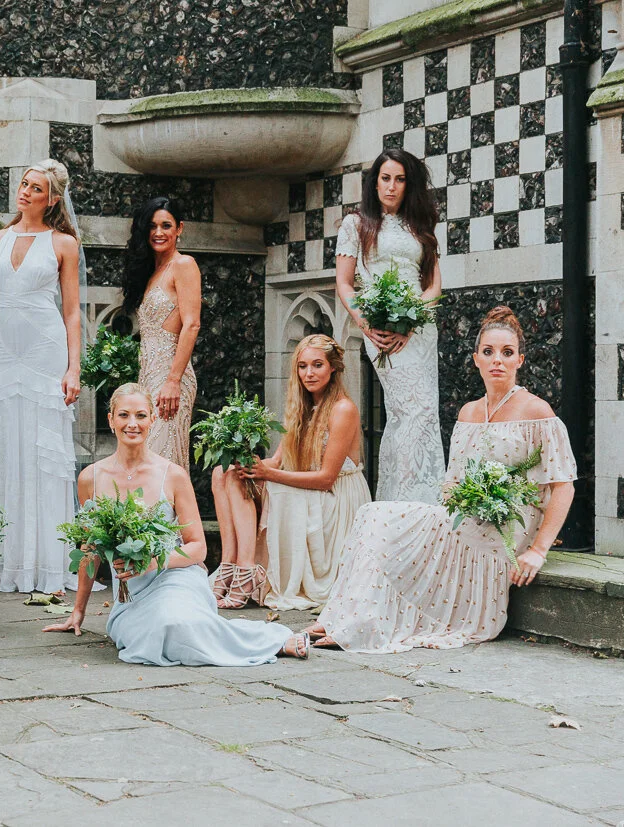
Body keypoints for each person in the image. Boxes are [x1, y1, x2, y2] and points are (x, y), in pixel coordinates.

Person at [307, 307, 576, 652]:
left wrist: (538, 551)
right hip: (464, 515)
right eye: (489, 352)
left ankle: (355, 625)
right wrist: (458, 503)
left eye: (507, 353)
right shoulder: (468, 412)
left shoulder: (538, 411)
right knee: (372, 514)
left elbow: (563, 485)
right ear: (476, 359)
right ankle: (340, 617)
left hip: (508, 526)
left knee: (391, 526)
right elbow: (453, 481)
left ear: (520, 360)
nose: (498, 361)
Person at [44, 384, 308, 665]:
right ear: (110, 420)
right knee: (153, 634)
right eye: (124, 415)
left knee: (175, 622)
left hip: (176, 577)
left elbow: (197, 549)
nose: (132, 424)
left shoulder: (173, 475)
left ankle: (270, 642)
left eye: (141, 416)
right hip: (130, 593)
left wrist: (153, 561)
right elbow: (89, 549)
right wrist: (78, 612)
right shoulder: (90, 478)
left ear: (152, 420)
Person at [0, 159, 81, 594]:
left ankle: (45, 565)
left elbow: (71, 311)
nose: (25, 191)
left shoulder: (63, 243)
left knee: (42, 452)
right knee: (1, 446)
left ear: (52, 198)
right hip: (5, 354)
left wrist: (73, 368)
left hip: (44, 351)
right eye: (24, 184)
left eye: (35, 188)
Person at [210, 335, 371, 610]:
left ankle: (248, 572)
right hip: (308, 489)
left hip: (334, 499)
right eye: (302, 366)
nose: (309, 373)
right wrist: (246, 464)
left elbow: (325, 479)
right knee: (223, 473)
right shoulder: (302, 407)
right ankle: (230, 565)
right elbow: (277, 461)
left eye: (317, 365)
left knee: (255, 483)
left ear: (333, 367)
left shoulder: (343, 408)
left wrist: (267, 474)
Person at [336, 148, 444, 503]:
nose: (392, 186)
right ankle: (404, 503)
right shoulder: (356, 224)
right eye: (386, 178)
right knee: (409, 408)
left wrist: (413, 321)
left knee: (423, 410)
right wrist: (366, 324)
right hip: (380, 330)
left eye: (400, 179)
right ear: (375, 182)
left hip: (420, 330)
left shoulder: (421, 225)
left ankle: (417, 501)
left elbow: (433, 286)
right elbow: (345, 283)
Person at [122, 197, 201, 468]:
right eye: (152, 226)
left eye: (166, 225)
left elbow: (192, 324)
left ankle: (169, 512)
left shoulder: (184, 264)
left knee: (162, 458)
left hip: (171, 377)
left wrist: (173, 381)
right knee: (144, 459)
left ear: (179, 228)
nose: (158, 232)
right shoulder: (153, 271)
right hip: (148, 376)